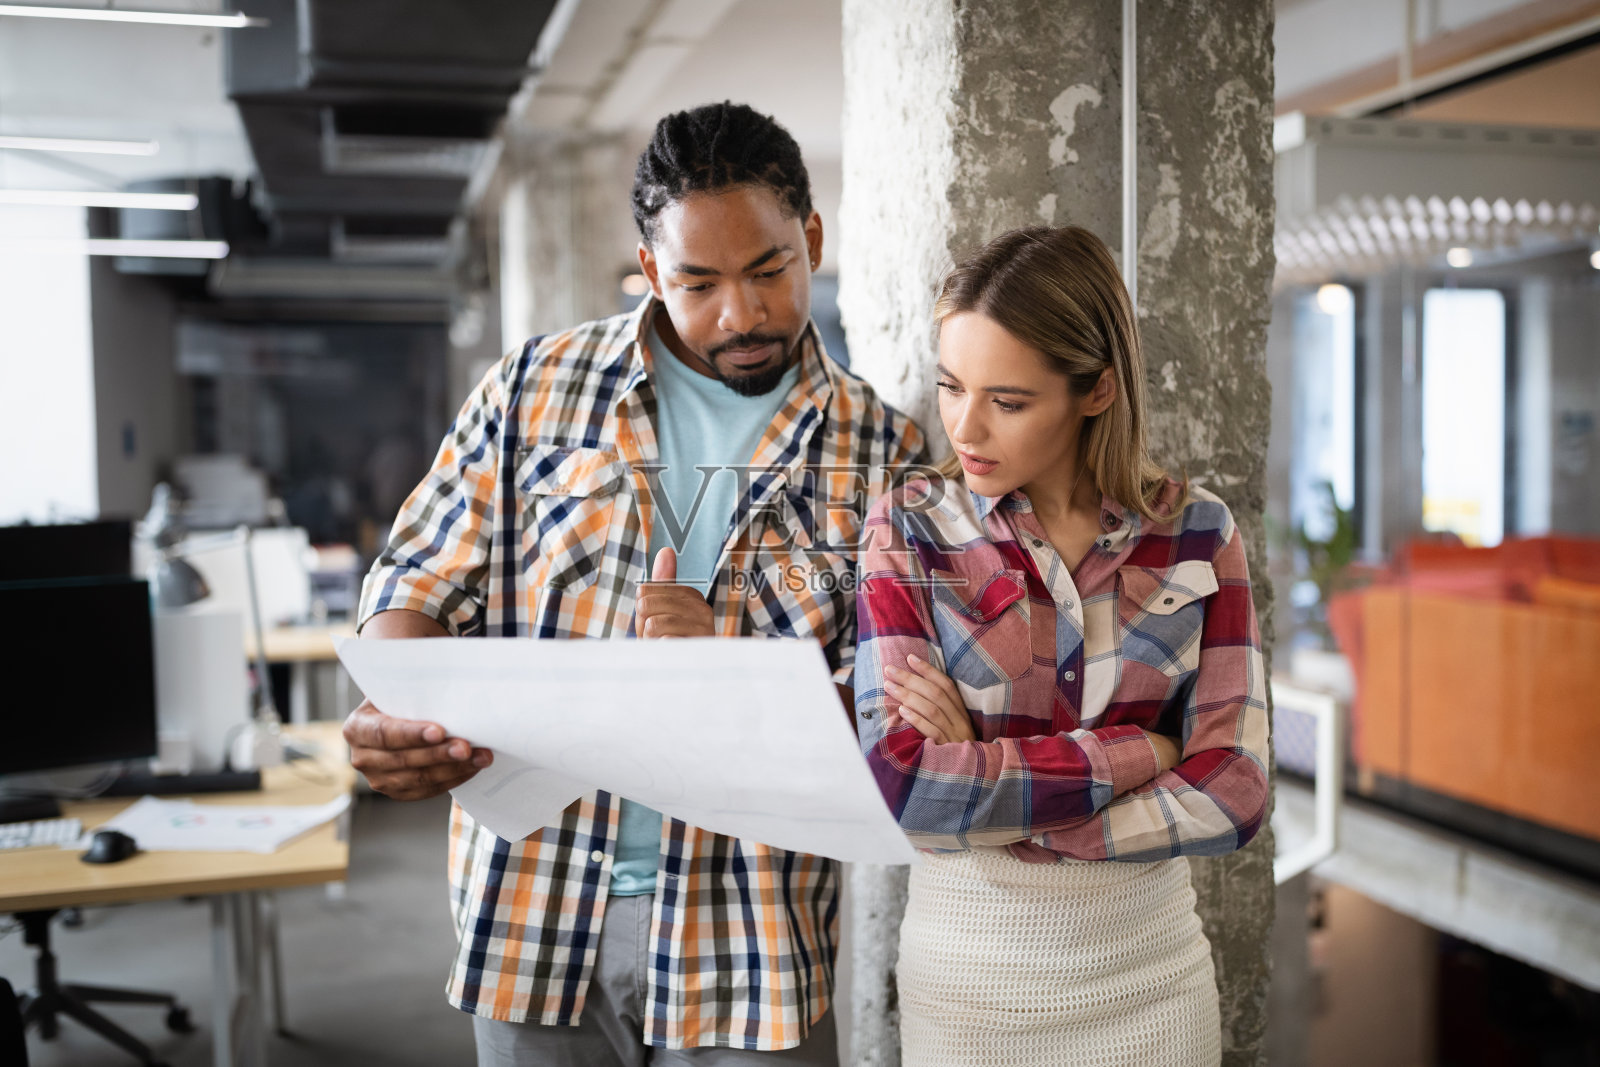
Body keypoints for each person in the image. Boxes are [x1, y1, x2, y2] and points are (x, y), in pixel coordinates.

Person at [343, 102, 927, 1066]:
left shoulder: (886, 456)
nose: (740, 313)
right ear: (651, 270)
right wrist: (399, 714)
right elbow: (415, 578)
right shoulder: (534, 390)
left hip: (750, 943)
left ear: (811, 240)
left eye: (769, 270)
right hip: (536, 912)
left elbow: (891, 715)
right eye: (699, 281)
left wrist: (730, 674)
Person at [853, 226, 1270, 1066]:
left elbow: (1236, 790)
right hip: (969, 990)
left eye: (1007, 401)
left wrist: (993, 786)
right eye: (950, 386)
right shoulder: (908, 524)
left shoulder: (1200, 533)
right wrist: (1142, 751)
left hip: (1151, 988)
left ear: (1097, 389)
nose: (965, 426)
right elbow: (903, 785)